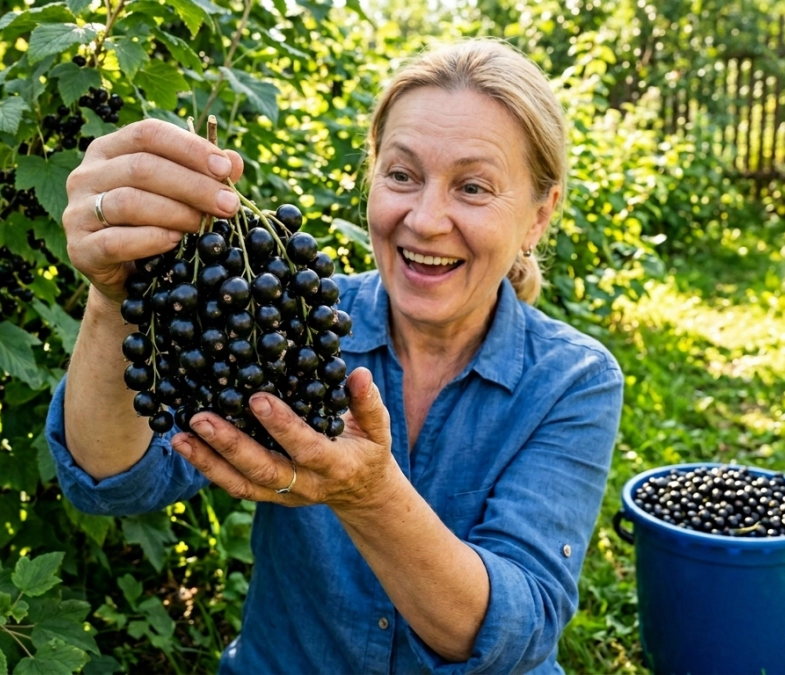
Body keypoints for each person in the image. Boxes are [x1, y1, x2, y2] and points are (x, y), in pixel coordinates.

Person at [49, 38, 624, 673]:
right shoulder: (288, 317)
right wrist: (114, 295)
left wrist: (367, 495)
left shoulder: (572, 379)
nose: (427, 219)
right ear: (372, 178)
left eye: (474, 187)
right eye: (402, 175)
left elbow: (516, 633)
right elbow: (114, 482)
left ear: (540, 215)